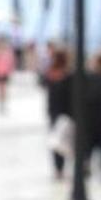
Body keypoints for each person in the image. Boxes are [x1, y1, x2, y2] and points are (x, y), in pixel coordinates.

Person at [43, 47, 73, 179]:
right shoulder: (66, 75)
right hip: (64, 111)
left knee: (58, 140)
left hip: (56, 111)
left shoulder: (52, 74)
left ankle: (58, 169)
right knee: (61, 140)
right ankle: (60, 168)